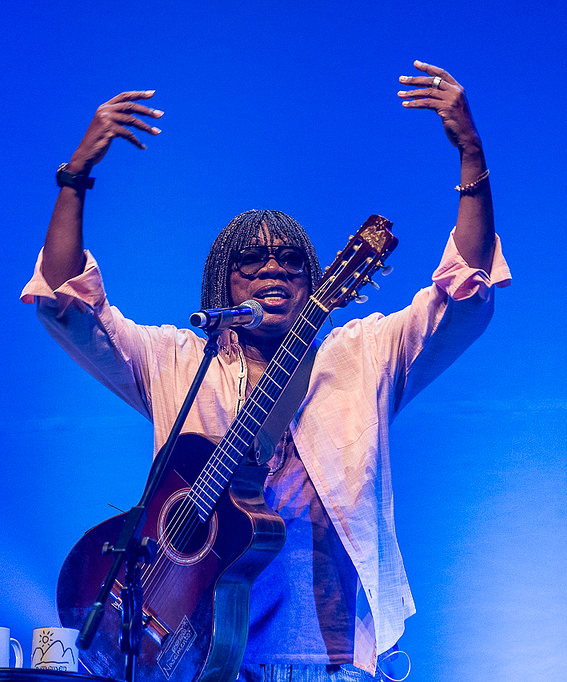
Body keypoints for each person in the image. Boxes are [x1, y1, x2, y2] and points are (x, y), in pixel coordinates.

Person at [22, 61, 511, 682]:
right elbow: (65, 304)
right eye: (250, 261)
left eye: (289, 261)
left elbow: (465, 295)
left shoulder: (363, 354)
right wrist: (75, 176)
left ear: (316, 280)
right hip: (196, 658)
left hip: (330, 659)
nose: (272, 269)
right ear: (221, 284)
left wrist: (471, 156)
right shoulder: (179, 360)